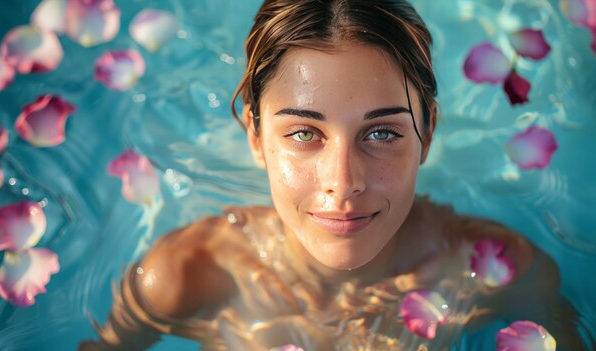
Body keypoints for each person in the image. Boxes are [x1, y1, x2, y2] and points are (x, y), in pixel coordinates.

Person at [80, 0, 587, 350]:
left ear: (427, 133)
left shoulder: (498, 272)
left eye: (382, 133)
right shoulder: (186, 277)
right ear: (255, 136)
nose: (343, 183)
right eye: (303, 133)